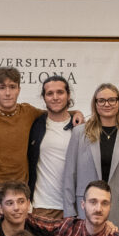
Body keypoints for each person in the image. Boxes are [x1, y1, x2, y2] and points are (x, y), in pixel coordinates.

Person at [0, 67, 70, 209]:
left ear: (19, 89)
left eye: (12, 87)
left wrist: (76, 113)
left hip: (21, 195)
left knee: (22, 232)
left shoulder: (28, 112)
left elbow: (55, 112)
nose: (7, 93)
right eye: (2, 87)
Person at [62, 83, 119, 236]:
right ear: (95, 104)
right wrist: (69, 212)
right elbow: (70, 175)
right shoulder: (80, 133)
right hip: (86, 208)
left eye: (111, 100)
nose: (106, 104)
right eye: (101, 100)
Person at [26, 74, 77, 219]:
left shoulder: (80, 128)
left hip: (72, 208)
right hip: (41, 207)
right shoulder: (35, 125)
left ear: (68, 95)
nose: (55, 97)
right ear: (44, 98)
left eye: (60, 92)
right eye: (50, 93)